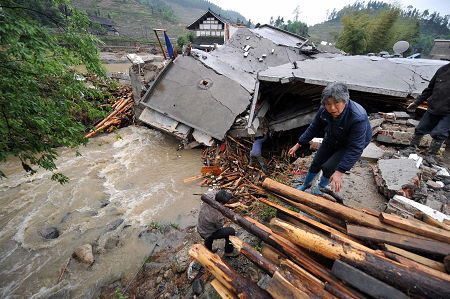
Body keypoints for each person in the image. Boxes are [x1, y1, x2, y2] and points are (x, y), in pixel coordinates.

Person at [288, 82, 372, 195]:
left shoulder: (357, 117)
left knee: (329, 167)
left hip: (349, 143)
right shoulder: (324, 110)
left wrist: (340, 172)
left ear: (345, 101)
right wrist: (299, 143)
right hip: (333, 136)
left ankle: (320, 189)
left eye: (336, 103)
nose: (332, 108)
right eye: (328, 104)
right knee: (316, 162)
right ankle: (305, 184)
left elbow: (355, 147)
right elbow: (314, 127)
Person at [407, 63, 450, 157]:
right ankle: (411, 149)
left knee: (440, 133)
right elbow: (430, 89)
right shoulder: (443, 70)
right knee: (420, 128)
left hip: (448, 113)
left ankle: (431, 156)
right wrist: (417, 102)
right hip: (434, 107)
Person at [197, 190, 237, 256]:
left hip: (200, 226)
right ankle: (229, 251)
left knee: (208, 237)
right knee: (231, 231)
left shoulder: (209, 195)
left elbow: (214, 191)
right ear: (221, 203)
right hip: (207, 233)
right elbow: (219, 227)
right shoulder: (217, 215)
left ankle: (209, 250)